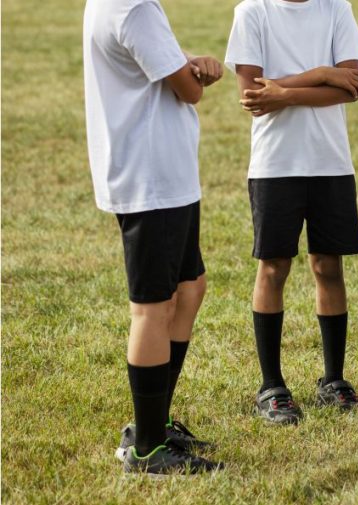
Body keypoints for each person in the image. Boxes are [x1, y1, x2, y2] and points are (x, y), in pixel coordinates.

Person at [83, 0, 224, 474]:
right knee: (152, 306)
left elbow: (162, 64)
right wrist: (196, 74)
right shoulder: (134, 7)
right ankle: (146, 450)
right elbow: (188, 91)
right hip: (151, 179)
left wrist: (185, 63)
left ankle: (154, 423)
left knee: (190, 287)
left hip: (164, 176)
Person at [224, 0, 358, 424]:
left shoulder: (335, 9)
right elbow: (252, 95)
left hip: (331, 162)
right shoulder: (252, 12)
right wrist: (323, 74)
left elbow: (352, 87)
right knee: (274, 267)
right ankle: (272, 386)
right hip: (276, 165)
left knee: (329, 265)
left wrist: (285, 92)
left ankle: (334, 379)